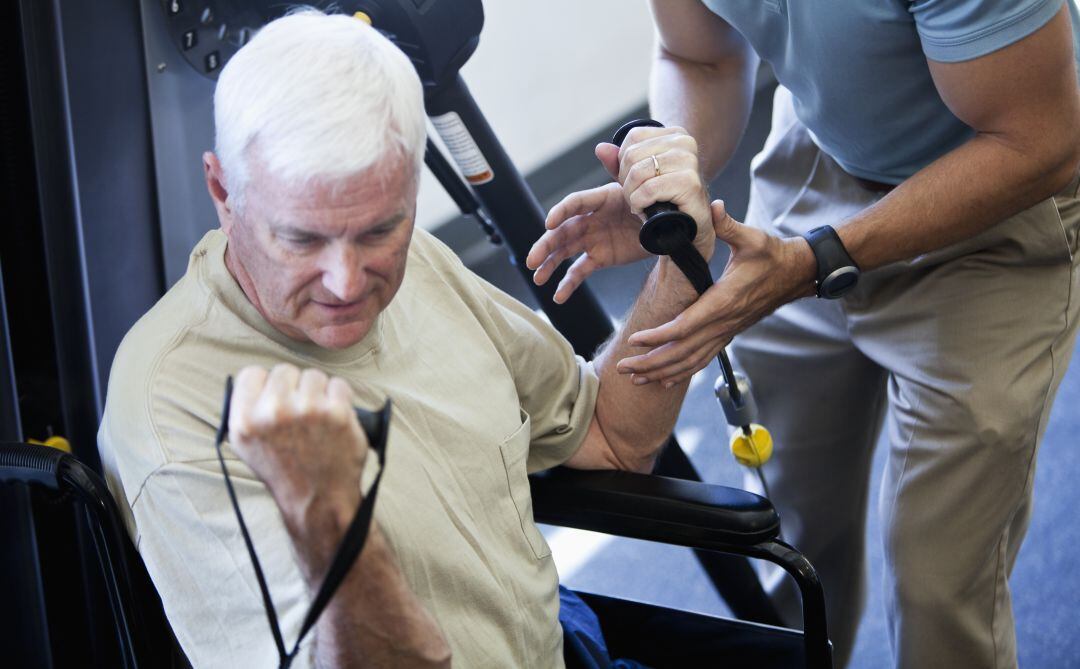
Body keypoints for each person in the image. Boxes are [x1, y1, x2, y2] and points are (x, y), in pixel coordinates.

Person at [96, 9, 723, 669]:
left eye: (377, 231)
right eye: (301, 238)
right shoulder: (173, 405)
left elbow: (612, 436)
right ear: (223, 192)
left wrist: (680, 263)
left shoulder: (417, 266)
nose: (345, 282)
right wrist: (331, 517)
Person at [528, 1, 1080, 667]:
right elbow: (697, 55)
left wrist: (813, 263)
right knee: (791, 516)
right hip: (821, 156)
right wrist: (668, 178)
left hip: (997, 191)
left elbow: (1039, 139)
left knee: (938, 575)